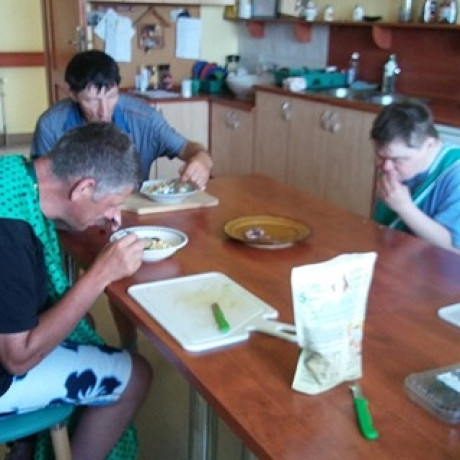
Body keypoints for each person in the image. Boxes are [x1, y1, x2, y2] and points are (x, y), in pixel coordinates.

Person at [0, 123, 152, 460]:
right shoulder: (9, 235)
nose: (113, 217)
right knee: (137, 375)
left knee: (84, 326)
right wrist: (100, 274)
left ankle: (25, 447)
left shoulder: (14, 173)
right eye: (113, 204)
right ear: (83, 188)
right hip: (5, 370)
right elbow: (17, 358)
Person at [31, 49, 213, 188]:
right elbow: (41, 184)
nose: (104, 111)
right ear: (72, 94)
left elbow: (188, 148)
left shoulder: (144, 118)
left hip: (133, 211)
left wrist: (202, 159)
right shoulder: (51, 126)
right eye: (92, 100)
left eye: (111, 96)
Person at [371, 101, 460, 252]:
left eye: (397, 159)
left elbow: (452, 247)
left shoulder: (455, 175)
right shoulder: (397, 166)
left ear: (428, 145)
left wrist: (404, 208)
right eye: (381, 156)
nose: (386, 167)